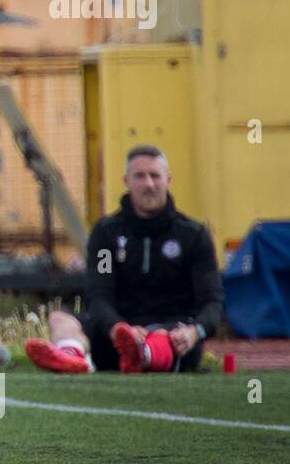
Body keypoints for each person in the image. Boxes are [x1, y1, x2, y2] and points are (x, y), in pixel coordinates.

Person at [26, 145, 223, 374]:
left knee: (165, 338)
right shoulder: (105, 234)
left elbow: (213, 301)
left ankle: (143, 354)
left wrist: (194, 331)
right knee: (60, 319)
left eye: (155, 176)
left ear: (168, 180)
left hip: (173, 334)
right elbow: (98, 295)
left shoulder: (194, 235)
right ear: (126, 181)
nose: (148, 184)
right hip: (117, 333)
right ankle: (71, 357)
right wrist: (118, 328)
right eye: (140, 176)